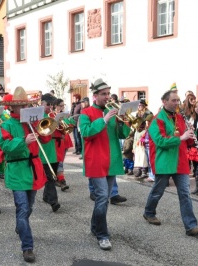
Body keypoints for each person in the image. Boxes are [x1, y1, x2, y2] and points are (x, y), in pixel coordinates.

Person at [143, 90, 198, 237]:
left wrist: (191, 133)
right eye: (174, 101)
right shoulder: (157, 119)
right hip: (164, 161)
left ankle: (191, 226)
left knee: (184, 193)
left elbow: (188, 141)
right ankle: (149, 212)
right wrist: (181, 137)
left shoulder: (180, 117)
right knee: (158, 191)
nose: (177, 103)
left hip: (180, 161)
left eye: (178, 100)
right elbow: (160, 141)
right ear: (164, 102)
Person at [0, 86, 48, 263]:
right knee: (23, 208)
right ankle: (27, 247)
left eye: (27, 106)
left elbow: (46, 137)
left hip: (33, 169)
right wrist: (23, 141)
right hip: (17, 171)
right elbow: (5, 148)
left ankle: (21, 225)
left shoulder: (31, 123)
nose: (26, 109)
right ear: (13, 108)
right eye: (22, 106)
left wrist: (43, 124)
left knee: (30, 207)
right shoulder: (5, 125)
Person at [79, 78, 131, 250]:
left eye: (108, 94)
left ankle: (95, 227)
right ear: (95, 96)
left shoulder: (113, 111)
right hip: (95, 161)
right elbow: (86, 133)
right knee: (102, 197)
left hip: (111, 160)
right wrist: (104, 120)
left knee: (104, 198)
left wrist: (125, 121)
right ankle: (102, 235)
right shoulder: (86, 113)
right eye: (103, 94)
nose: (107, 97)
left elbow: (123, 134)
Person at [40, 93, 61, 212]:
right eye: (48, 105)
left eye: (51, 105)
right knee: (50, 177)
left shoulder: (52, 115)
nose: (50, 107)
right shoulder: (38, 116)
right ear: (41, 103)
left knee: (51, 176)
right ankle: (54, 201)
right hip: (43, 151)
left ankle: (46, 196)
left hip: (52, 150)